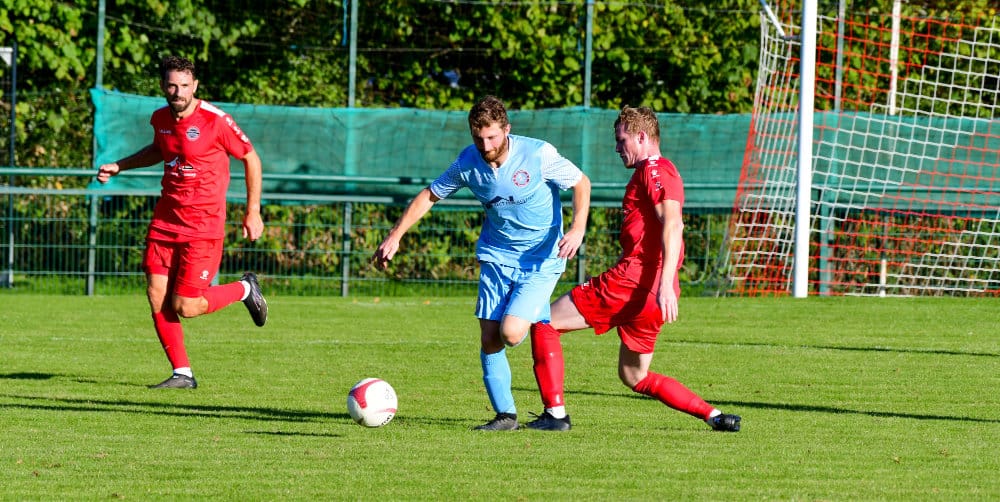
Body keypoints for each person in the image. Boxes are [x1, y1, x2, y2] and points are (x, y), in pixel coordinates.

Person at [372, 95, 591, 431]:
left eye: (492, 137)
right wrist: (395, 235)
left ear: (507, 129)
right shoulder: (467, 162)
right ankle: (506, 416)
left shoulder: (538, 154)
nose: (486, 146)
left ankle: (538, 321)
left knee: (511, 333)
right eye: (479, 138)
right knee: (489, 338)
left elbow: (580, 182)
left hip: (541, 258)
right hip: (496, 255)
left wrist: (577, 229)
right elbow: (430, 195)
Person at [525, 105, 740, 432]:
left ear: (641, 137)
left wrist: (665, 285)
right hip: (651, 294)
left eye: (621, 139)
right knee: (634, 375)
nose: (616, 147)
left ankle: (555, 415)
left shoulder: (654, 169)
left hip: (635, 282)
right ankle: (714, 416)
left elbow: (673, 224)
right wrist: (665, 286)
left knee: (544, 322)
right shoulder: (656, 171)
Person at [96, 55, 268, 389]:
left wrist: (253, 210)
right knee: (157, 294)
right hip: (166, 220)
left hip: (203, 226)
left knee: (187, 306)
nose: (178, 92)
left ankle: (245, 289)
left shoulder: (216, 121)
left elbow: (250, 158)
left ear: (195, 86)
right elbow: (160, 149)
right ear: (163, 86)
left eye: (185, 86)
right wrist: (120, 166)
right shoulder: (160, 118)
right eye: (172, 85)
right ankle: (182, 373)